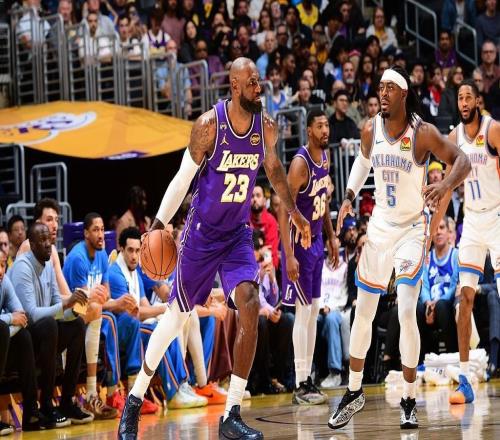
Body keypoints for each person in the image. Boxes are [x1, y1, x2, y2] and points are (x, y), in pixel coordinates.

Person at [118, 57, 311, 440]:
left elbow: (274, 171)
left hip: (236, 234)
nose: (259, 87)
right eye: (252, 82)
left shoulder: (265, 127)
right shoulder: (209, 126)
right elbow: (181, 179)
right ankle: (135, 400)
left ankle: (231, 415)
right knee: (176, 318)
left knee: (250, 302)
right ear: (235, 86)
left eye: (258, 81)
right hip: (202, 235)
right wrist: (158, 225)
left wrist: (296, 214)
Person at [328, 65, 470, 430]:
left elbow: (463, 161)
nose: (382, 93)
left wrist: (445, 186)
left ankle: (408, 399)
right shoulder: (369, 128)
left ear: (404, 93)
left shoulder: (422, 133)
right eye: (380, 88)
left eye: (389, 88)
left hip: (411, 228)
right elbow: (362, 161)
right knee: (363, 310)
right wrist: (348, 196)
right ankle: (354, 391)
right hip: (380, 226)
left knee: (406, 311)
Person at [18, 200, 114, 420]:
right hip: (31, 327)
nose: (54, 225)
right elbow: (34, 309)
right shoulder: (28, 249)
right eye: (48, 220)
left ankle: (71, 400)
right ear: (36, 224)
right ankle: (48, 403)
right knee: (58, 321)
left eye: (56, 220)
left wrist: (81, 299)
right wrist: (78, 299)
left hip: (48, 319)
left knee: (80, 320)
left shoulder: (51, 251)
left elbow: (64, 294)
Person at [278, 109, 338, 405]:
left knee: (313, 310)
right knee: (303, 312)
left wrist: (332, 236)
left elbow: (322, 202)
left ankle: (308, 378)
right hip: (299, 245)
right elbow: (282, 209)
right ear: (309, 131)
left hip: (316, 243)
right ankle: (300, 382)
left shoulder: (325, 158)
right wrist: (288, 255)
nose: (325, 130)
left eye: (327, 125)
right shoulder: (300, 164)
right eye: (320, 126)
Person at [446, 79, 500, 404]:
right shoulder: (454, 138)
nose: (464, 102)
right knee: (463, 299)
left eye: (469, 97)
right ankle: (465, 380)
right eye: (460, 98)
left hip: (497, 216)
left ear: (478, 101)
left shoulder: (493, 130)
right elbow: (446, 182)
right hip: (472, 222)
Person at [9, 223, 92, 427]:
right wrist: (66, 303)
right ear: (32, 245)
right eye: (42, 240)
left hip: (44, 335)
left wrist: (75, 309)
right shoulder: (22, 267)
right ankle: (46, 404)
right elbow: (30, 315)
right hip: (21, 341)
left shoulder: (47, 265)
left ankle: (67, 402)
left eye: (49, 239)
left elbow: (58, 307)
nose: (48, 244)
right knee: (49, 325)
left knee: (77, 325)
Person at [63, 212, 120, 417]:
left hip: (90, 310)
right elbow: (81, 300)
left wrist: (111, 301)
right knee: (102, 313)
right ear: (86, 233)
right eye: (96, 230)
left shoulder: (102, 255)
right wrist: (105, 301)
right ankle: (91, 393)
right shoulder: (77, 258)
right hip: (67, 311)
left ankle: (104, 392)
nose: (101, 234)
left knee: (107, 314)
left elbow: (106, 294)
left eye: (102, 229)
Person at [0, 249, 44, 432]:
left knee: (23, 336)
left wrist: (7, 327)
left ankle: (31, 413)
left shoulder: (4, 281)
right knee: (3, 328)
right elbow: (14, 317)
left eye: (2, 265)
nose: (0, 271)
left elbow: (22, 316)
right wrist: (10, 319)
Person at [417, 217, 459, 356]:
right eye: (435, 229)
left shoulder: (455, 255)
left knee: (441, 306)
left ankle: (452, 355)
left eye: (442, 228)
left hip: (448, 306)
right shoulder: (427, 258)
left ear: (448, 232)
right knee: (418, 308)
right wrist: (428, 303)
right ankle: (424, 359)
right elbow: (424, 286)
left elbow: (454, 286)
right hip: (430, 306)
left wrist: (437, 303)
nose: (438, 232)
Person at [250, 185, 280, 269]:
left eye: (258, 196)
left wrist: (256, 253)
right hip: (250, 267)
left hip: (269, 267)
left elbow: (269, 252)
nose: (255, 199)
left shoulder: (271, 221)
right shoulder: (245, 221)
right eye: (252, 196)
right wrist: (260, 252)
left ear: (264, 201)